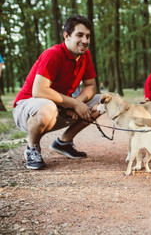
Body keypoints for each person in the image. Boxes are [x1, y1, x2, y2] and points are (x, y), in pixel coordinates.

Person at [13, 15, 101, 170]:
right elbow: (39, 91)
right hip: (27, 108)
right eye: (79, 35)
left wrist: (77, 103)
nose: (85, 41)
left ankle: (64, 142)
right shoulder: (52, 54)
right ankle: (32, 148)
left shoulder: (85, 56)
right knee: (48, 108)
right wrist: (74, 103)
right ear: (66, 36)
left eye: (88, 36)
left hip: (59, 106)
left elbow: (91, 86)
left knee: (103, 102)